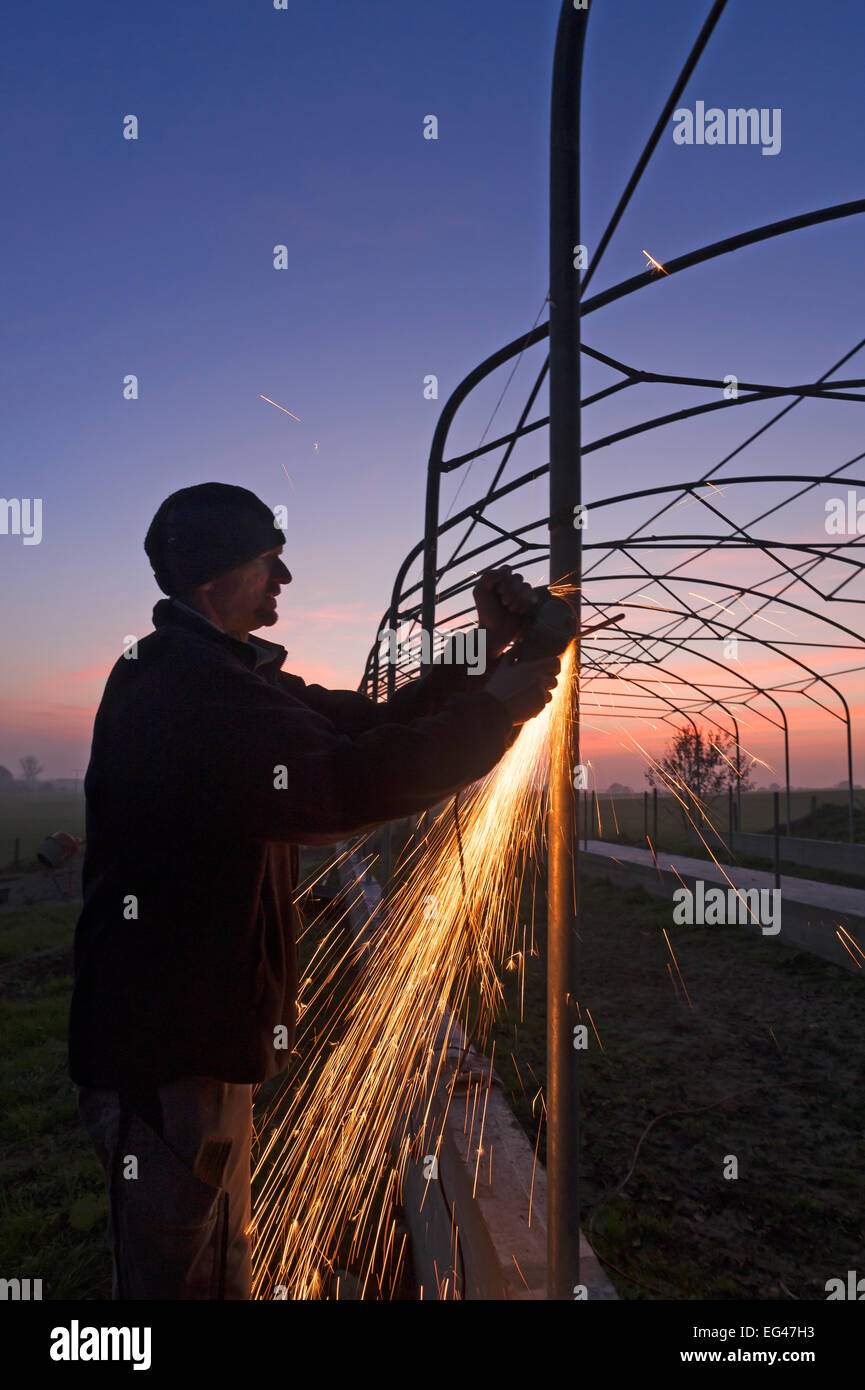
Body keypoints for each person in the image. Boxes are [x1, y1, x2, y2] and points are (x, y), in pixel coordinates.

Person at [69, 481, 559, 1300]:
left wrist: (485, 653)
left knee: (214, 1258)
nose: (285, 579)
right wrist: (493, 715)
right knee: (173, 1278)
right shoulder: (190, 693)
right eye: (269, 561)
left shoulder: (227, 677)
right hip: (160, 1053)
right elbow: (341, 784)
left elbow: (360, 724)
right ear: (212, 576)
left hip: (200, 1038)